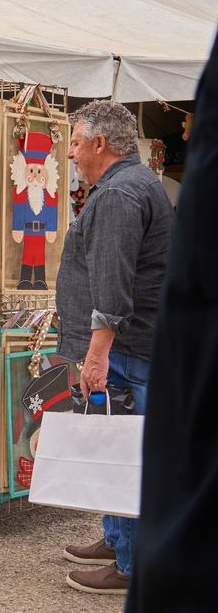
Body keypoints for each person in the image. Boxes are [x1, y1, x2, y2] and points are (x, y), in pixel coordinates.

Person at [55, 100, 175, 594]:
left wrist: (97, 354)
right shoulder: (131, 185)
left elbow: (113, 283)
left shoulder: (121, 193)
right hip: (136, 344)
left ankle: (131, 565)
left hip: (126, 348)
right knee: (115, 442)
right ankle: (117, 538)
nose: (70, 153)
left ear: (100, 144)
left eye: (76, 142)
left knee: (124, 450)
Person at [125, 36, 218, 611]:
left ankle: (124, 548)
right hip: (153, 328)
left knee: (129, 439)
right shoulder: (149, 188)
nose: (185, 132)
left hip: (140, 332)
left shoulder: (124, 194)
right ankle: (121, 544)